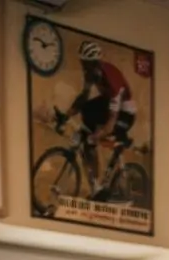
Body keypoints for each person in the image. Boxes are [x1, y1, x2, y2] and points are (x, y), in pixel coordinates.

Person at [52, 39, 137, 198]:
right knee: (87, 110)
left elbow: (111, 121)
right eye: (82, 63)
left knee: (93, 138)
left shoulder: (112, 81)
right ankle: (96, 186)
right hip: (108, 104)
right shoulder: (91, 73)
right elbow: (83, 98)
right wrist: (66, 115)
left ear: (95, 63)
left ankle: (106, 177)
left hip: (125, 112)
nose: (83, 67)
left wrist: (97, 136)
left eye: (86, 64)